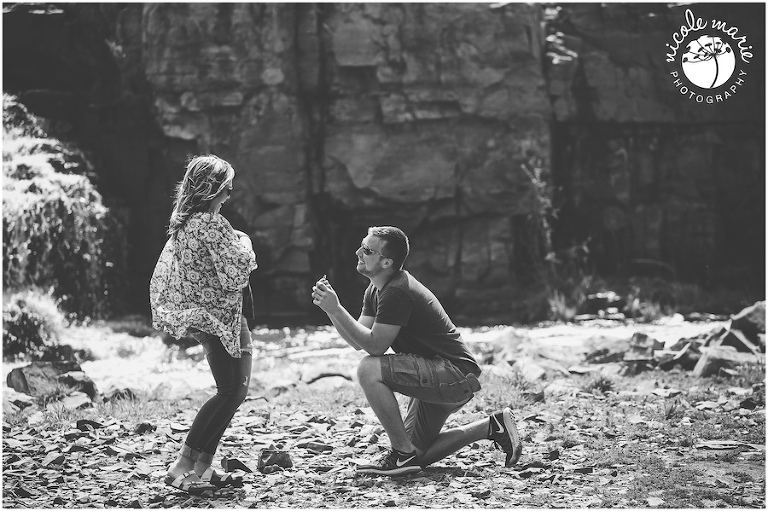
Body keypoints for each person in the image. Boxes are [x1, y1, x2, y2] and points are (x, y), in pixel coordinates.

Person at [311, 226, 522, 476]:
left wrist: (336, 310)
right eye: (361, 245)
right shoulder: (375, 290)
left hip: (453, 374)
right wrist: (330, 309)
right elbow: (359, 339)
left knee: (368, 369)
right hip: (441, 374)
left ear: (386, 261)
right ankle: (491, 426)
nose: (358, 252)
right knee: (416, 456)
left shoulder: (397, 290)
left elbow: (375, 346)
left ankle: (400, 454)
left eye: (366, 250)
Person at [150, 155, 258, 495]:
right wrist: (246, 243)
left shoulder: (185, 223)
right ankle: (183, 464)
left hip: (206, 317)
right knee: (231, 391)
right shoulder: (210, 224)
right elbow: (235, 273)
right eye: (227, 188)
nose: (229, 194)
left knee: (232, 391)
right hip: (222, 318)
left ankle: (203, 465)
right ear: (212, 188)